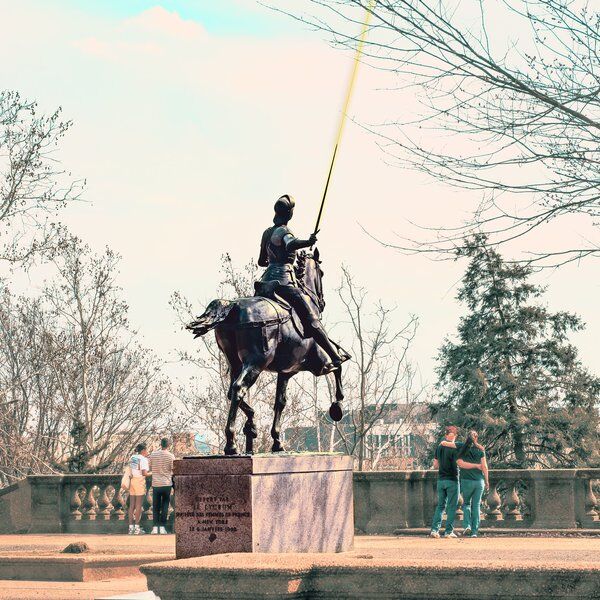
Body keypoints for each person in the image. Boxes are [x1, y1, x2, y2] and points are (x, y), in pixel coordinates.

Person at [256, 194, 343, 372]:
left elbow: (261, 261)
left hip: (264, 283)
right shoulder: (284, 231)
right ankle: (334, 356)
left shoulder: (266, 233)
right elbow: (289, 244)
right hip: (283, 282)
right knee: (312, 318)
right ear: (289, 214)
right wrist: (307, 242)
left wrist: (274, 258)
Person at [429, 425, 463, 538]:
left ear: (445, 435)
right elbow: (460, 463)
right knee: (452, 506)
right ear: (455, 436)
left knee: (440, 506)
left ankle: (434, 530)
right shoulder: (455, 448)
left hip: (441, 480)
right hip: (452, 479)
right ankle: (448, 531)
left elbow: (435, 465)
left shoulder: (439, 448)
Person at [456, 431, 489, 538]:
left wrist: (473, 466)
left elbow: (460, 463)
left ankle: (467, 526)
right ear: (476, 438)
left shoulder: (463, 449)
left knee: (466, 504)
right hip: (479, 481)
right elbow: (484, 467)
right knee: (476, 506)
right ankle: (474, 532)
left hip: (466, 480)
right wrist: (487, 481)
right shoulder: (480, 450)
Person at [149, 437, 175, 535]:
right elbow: (173, 469)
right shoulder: (171, 456)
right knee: (165, 506)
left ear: (161, 444)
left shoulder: (153, 455)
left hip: (156, 483)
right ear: (168, 445)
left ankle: (155, 527)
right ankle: (162, 527)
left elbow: (150, 466)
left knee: (155, 506)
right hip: (166, 483)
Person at [128, 443, 150, 535]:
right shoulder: (143, 459)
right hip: (139, 482)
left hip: (132, 481)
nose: (147, 452)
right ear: (143, 450)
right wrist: (152, 473)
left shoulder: (133, 457)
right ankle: (137, 528)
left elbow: (131, 470)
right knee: (138, 506)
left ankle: (130, 528)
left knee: (131, 505)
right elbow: (144, 473)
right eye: (146, 450)